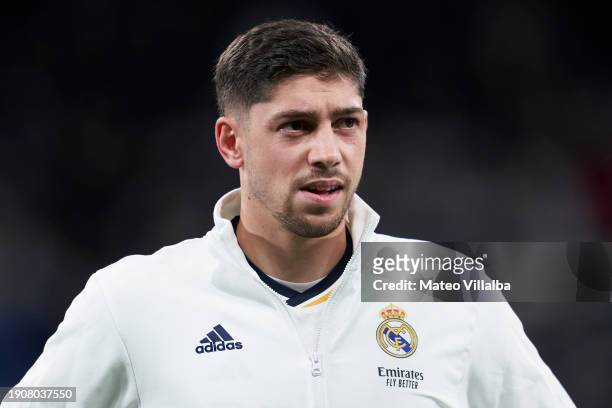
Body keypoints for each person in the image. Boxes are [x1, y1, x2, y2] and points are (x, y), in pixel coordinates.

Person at [2, 19, 574, 407]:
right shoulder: (132, 297)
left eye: (346, 124)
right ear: (232, 143)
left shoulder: (446, 286)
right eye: (296, 126)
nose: (328, 152)